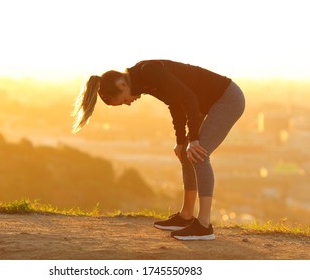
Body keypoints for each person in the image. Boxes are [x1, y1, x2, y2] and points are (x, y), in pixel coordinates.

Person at [72, 59, 245, 241]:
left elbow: (188, 98)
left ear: (122, 84)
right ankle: (186, 215)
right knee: (187, 154)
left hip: (227, 99)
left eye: (124, 100)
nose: (129, 103)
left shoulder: (149, 72)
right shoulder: (144, 79)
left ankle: (204, 226)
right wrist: (181, 141)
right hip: (205, 102)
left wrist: (193, 139)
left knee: (199, 154)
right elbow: (175, 103)